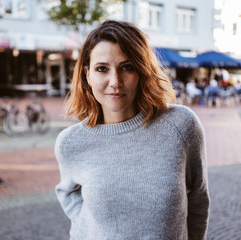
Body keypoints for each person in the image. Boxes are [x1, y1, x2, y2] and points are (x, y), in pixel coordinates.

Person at [55, 20, 209, 240]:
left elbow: (198, 198)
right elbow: (67, 193)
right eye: (102, 69)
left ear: (142, 71)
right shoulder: (70, 143)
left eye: (127, 67)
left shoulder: (181, 126)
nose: (115, 81)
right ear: (88, 75)